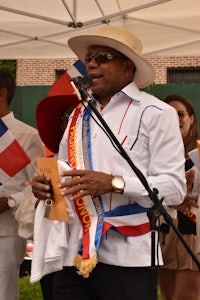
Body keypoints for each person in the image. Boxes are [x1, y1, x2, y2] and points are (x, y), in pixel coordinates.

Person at [31, 25, 186, 300]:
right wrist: (45, 186)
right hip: (74, 255)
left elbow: (174, 188)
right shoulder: (77, 116)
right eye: (89, 58)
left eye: (102, 57)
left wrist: (114, 183)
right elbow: (63, 171)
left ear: (127, 68)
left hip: (129, 257)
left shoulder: (157, 113)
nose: (91, 63)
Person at [0, 69, 45, 300]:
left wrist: (9, 201)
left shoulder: (28, 136)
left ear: (2, 93)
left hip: (6, 231)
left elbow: (41, 185)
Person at [159, 94, 200, 300]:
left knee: (187, 297)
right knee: (168, 296)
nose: (176, 120)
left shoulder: (199, 152)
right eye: (170, 115)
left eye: (180, 114)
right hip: (164, 232)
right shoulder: (158, 155)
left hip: (191, 233)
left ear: (191, 118)